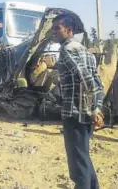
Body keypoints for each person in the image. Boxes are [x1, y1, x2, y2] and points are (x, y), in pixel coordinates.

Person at [53, 14, 104, 189]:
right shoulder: (86, 52)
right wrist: (97, 106)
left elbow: (87, 79)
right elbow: (98, 81)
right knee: (83, 157)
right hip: (86, 114)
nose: (54, 33)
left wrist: (96, 110)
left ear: (69, 30)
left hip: (75, 114)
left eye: (57, 29)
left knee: (78, 165)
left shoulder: (67, 49)